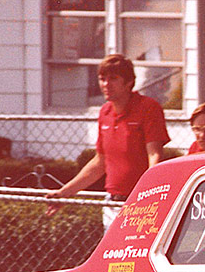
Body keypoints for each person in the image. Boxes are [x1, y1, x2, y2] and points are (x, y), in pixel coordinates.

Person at [47, 54, 169, 226]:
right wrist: (64, 193)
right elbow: (100, 162)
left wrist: (149, 196)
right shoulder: (105, 112)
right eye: (102, 79)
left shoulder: (148, 108)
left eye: (113, 79)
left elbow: (154, 155)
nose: (106, 84)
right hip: (112, 203)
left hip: (141, 203)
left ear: (128, 83)